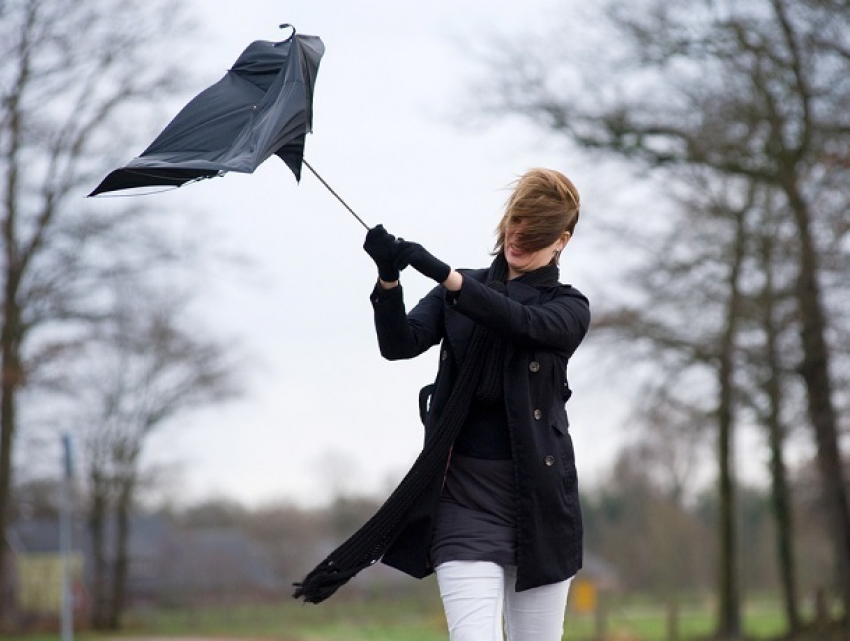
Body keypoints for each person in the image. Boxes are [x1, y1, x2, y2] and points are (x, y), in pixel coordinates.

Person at [362, 167, 591, 641]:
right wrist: (389, 280)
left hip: (539, 506)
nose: (519, 239)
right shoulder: (458, 290)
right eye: (515, 225)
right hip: (463, 502)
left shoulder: (568, 308)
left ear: (562, 241)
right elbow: (400, 344)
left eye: (535, 235)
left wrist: (447, 277)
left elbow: (522, 323)